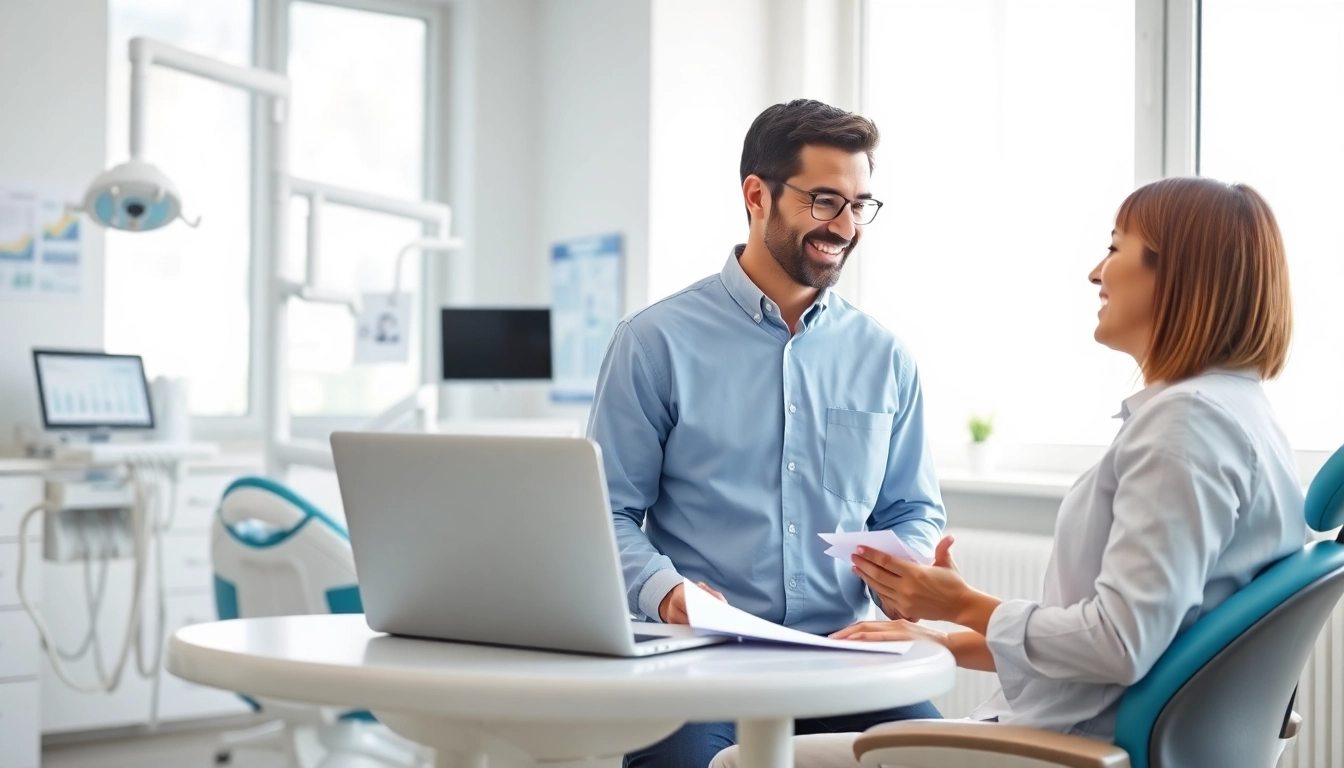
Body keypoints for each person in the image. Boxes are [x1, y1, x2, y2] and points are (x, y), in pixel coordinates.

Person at [710, 176, 1307, 768]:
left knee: (742, 761)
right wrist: (946, 636)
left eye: (1115, 248)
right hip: (1080, 732)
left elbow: (1119, 645)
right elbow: (1128, 638)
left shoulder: (1185, 426)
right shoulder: (1240, 414)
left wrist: (962, 605)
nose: (1096, 273)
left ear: (1176, 272)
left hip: (1062, 749)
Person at [586, 98, 947, 768]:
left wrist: (909, 564)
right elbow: (603, 510)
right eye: (824, 201)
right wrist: (665, 590)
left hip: (844, 656)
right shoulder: (654, 342)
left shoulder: (885, 357)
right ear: (758, 195)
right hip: (701, 665)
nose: (845, 226)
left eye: (860, 204)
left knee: (948, 758)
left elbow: (911, 507)